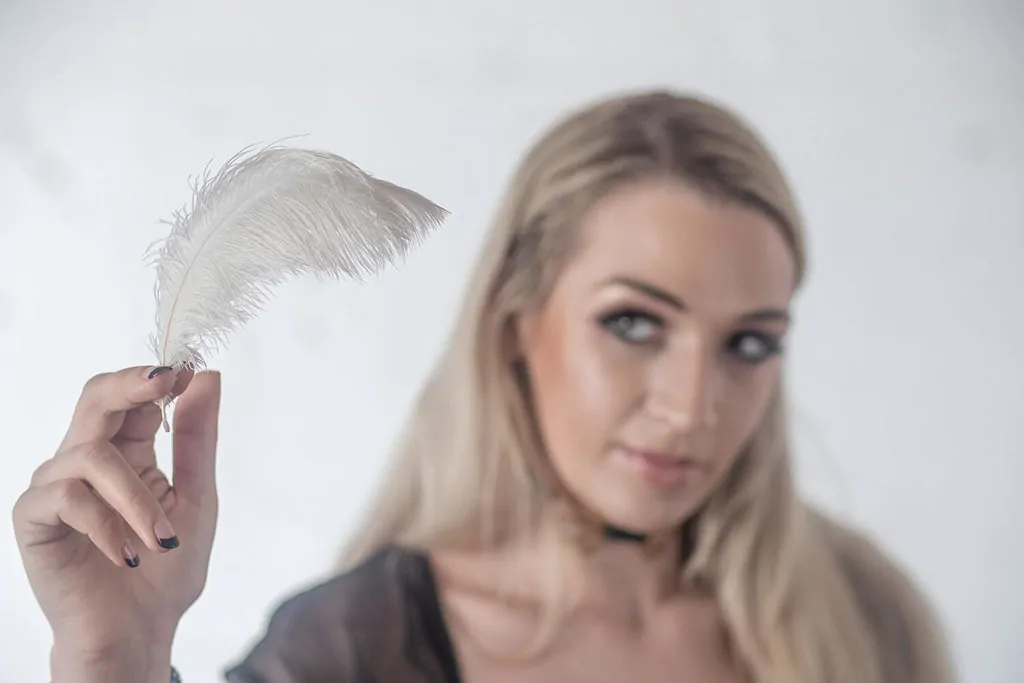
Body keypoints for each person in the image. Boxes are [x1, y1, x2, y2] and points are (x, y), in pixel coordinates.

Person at [13, 90, 958, 683]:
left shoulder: (862, 614)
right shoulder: (356, 649)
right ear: (516, 326)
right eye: (633, 323)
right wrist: (113, 666)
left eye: (750, 343)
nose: (692, 406)